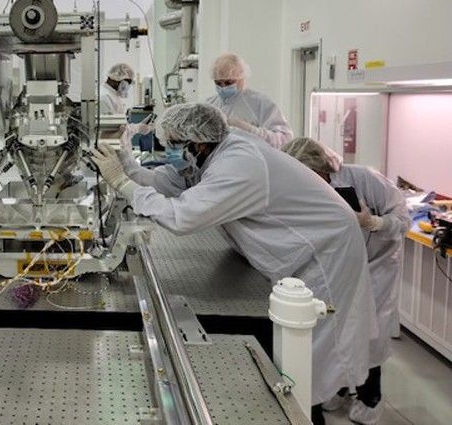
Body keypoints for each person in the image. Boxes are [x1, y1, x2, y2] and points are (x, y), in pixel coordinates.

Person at [92, 103, 375, 423]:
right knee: (298, 356)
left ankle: (304, 414)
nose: (170, 152)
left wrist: (124, 185)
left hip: (325, 253)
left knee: (304, 362)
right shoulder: (215, 150)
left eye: (174, 145)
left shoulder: (239, 164)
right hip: (305, 246)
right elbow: (171, 184)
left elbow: (182, 216)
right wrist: (127, 166)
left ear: (196, 143)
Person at [283, 137, 409, 424]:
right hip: (339, 267)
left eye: (311, 177)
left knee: (371, 335)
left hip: (377, 267)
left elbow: (403, 217)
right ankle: (339, 386)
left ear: (323, 168)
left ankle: (369, 399)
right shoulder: (306, 188)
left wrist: (374, 223)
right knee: (337, 329)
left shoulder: (364, 178)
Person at [205, 53, 293, 148]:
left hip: (254, 159)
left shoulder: (259, 102)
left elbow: (285, 139)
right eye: (218, 83)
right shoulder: (209, 105)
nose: (223, 87)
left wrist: (251, 130)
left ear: (241, 78)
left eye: (229, 82)